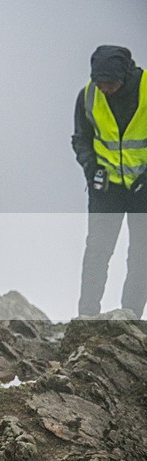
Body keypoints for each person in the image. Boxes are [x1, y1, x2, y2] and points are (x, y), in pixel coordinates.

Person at [72, 45, 147, 318]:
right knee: (97, 252)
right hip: (106, 189)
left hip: (143, 189)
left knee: (142, 255)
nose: (103, 88)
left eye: (109, 83)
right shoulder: (88, 95)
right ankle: (87, 316)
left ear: (124, 76)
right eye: (99, 82)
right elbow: (81, 139)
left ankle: (130, 317)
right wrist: (92, 169)